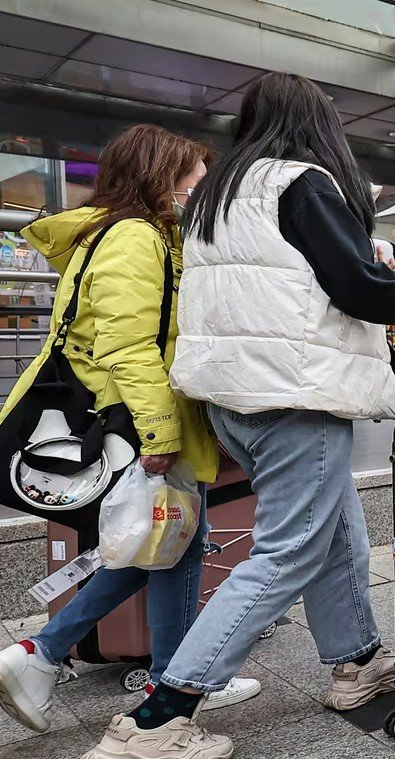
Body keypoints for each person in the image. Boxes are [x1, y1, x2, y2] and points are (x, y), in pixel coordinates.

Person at [80, 73, 395, 759]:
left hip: (232, 397)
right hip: (295, 396)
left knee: (338, 529)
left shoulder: (216, 193)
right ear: (316, 124)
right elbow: (360, 287)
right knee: (287, 551)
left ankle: (356, 663)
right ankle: (157, 718)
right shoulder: (302, 183)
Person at [0, 125, 262, 736]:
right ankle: (145, 674)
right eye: (194, 182)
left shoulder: (128, 234)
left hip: (139, 414)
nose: (200, 193)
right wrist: (162, 433)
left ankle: (121, 668)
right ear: (161, 178)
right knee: (172, 545)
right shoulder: (133, 237)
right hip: (137, 419)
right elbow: (128, 344)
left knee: (167, 546)